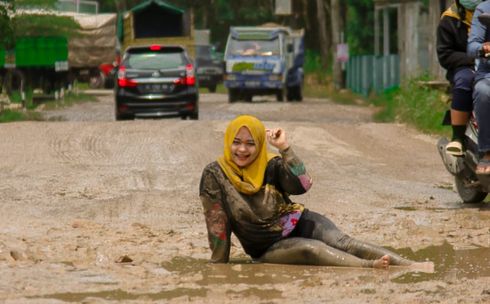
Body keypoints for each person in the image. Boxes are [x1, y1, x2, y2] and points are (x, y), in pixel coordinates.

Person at [199, 115, 434, 270]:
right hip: (267, 248)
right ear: (228, 142)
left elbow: (302, 185)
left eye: (250, 143)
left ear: (259, 145)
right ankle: (369, 267)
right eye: (237, 142)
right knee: (313, 249)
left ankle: (409, 264)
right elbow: (217, 225)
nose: (242, 149)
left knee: (344, 242)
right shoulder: (215, 174)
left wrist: (285, 149)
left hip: (297, 220)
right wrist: (219, 265)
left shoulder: (271, 164)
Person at [437, 0, 480, 156]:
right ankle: (458, 137)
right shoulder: (449, 19)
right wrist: (475, 59)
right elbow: (445, 55)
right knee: (464, 81)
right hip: (465, 68)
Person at [468, 0, 490, 174]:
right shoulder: (484, 8)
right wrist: (483, 47)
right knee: (484, 92)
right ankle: (487, 151)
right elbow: (472, 45)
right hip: (488, 72)